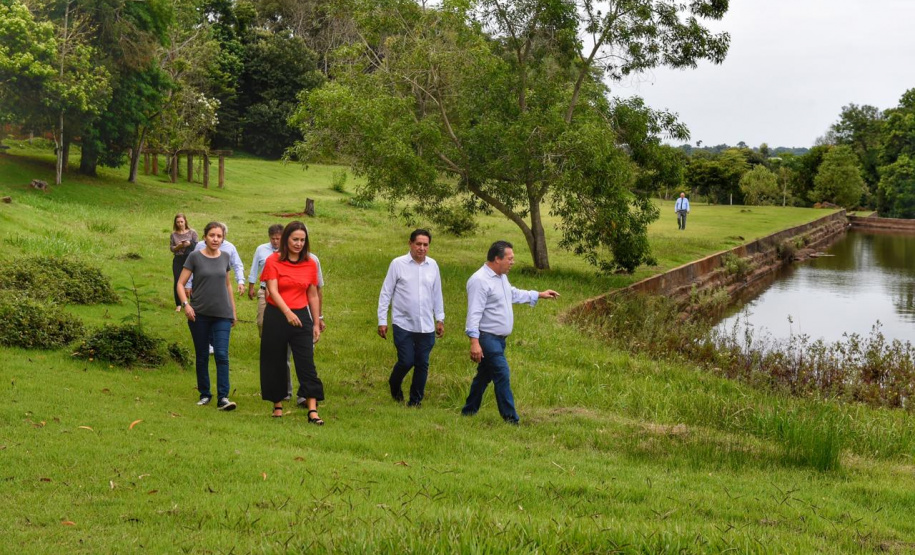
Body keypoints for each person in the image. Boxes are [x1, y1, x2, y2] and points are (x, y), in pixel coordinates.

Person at [461, 240, 559, 424]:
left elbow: (512, 294)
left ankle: (468, 412)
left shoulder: (501, 277)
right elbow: (474, 313)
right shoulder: (479, 280)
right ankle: (511, 420)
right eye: (510, 258)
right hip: (487, 338)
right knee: (502, 374)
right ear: (497, 259)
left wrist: (539, 294)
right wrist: (474, 342)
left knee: (483, 377)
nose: (513, 262)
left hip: (499, 340)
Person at [249, 223, 326, 404]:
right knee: (276, 359)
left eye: (302, 240)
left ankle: (311, 406)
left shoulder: (311, 262)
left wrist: (317, 321)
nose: (299, 244)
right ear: (286, 240)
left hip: (302, 315)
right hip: (277, 314)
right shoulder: (273, 260)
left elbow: (313, 294)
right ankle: (278, 403)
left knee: (306, 360)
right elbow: (272, 291)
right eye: (295, 239)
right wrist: (287, 313)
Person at [377, 229, 445, 407]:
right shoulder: (398, 264)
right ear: (410, 244)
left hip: (426, 325)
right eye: (418, 244)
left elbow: (437, 294)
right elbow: (386, 293)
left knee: (422, 363)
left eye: (425, 245)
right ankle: (394, 384)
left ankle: (415, 401)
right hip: (403, 323)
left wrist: (440, 318)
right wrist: (382, 320)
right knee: (407, 361)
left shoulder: (433, 265)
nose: (422, 248)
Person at [176, 222, 238, 411]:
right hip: (199, 314)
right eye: (212, 235)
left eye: (219, 236)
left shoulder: (225, 257)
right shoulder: (195, 257)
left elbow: (228, 285)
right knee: (202, 355)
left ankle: (223, 397)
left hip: (222, 314)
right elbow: (180, 284)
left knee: (221, 354)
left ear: (223, 239)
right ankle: (205, 394)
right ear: (205, 237)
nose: (215, 239)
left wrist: (233, 311)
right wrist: (186, 305)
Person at [169, 213, 197, 311]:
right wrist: (178, 247)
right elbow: (171, 248)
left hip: (190, 258)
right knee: (178, 280)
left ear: (185, 221)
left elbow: (197, 246)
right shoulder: (173, 234)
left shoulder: (192, 232)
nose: (180, 224)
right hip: (178, 259)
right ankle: (179, 304)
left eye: (181, 221)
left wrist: (189, 243)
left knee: (192, 280)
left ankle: (193, 302)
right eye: (178, 222)